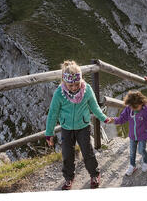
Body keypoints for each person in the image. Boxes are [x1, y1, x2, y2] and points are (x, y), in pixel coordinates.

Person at [45, 60, 111, 190]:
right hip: (66, 128)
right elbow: (52, 114)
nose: (74, 87)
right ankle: (69, 178)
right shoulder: (59, 93)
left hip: (83, 126)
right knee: (67, 154)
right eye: (71, 85)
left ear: (80, 80)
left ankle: (94, 174)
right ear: (64, 82)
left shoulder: (87, 90)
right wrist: (49, 133)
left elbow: (94, 106)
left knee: (88, 152)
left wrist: (103, 118)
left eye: (76, 84)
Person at [110, 90, 147, 176]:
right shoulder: (129, 109)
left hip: (142, 135)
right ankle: (132, 166)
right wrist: (114, 120)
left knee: (141, 150)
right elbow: (122, 119)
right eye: (132, 106)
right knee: (132, 152)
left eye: (136, 106)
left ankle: (146, 161)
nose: (133, 108)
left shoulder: (145, 110)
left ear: (141, 102)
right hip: (132, 135)